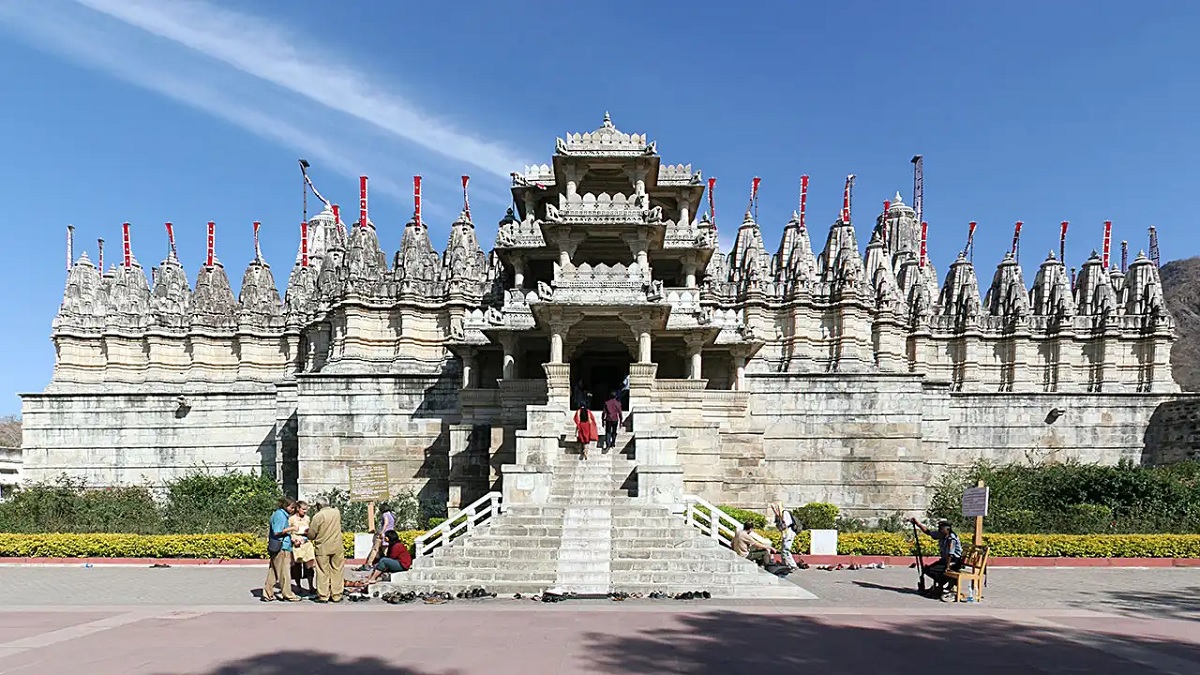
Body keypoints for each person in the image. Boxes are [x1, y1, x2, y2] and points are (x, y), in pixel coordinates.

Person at [910, 517, 963, 598]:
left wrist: (948, 567)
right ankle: (940, 585)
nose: (939, 529)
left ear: (947, 529)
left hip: (954, 562)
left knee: (936, 570)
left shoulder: (951, 538)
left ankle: (943, 585)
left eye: (941, 528)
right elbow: (928, 532)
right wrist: (918, 524)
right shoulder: (941, 535)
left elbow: (950, 554)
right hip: (945, 560)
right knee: (927, 569)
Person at [262, 497, 300, 602]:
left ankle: (268, 593)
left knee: (273, 571)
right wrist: (291, 528)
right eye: (292, 507)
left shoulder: (280, 515)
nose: (293, 510)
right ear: (285, 506)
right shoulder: (280, 516)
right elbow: (277, 532)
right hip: (281, 547)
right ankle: (288, 594)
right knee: (284, 572)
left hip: (280, 546)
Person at [307, 500, 346, 603]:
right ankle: (336, 595)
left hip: (323, 547)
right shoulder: (336, 512)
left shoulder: (318, 516)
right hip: (337, 546)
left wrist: (308, 534)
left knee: (322, 571)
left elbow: (312, 534)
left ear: (319, 505)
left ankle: (323, 595)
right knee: (337, 570)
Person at [358, 502, 396, 571]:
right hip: (390, 534)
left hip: (384, 534)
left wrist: (382, 532)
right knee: (386, 550)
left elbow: (386, 523)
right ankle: (388, 564)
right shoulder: (392, 515)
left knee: (375, 549)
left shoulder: (385, 514)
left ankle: (369, 564)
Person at [289, 500, 316, 595]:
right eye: (303, 509)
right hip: (297, 544)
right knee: (297, 566)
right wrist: (294, 540)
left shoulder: (308, 518)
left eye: (306, 509)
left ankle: (311, 586)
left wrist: (307, 534)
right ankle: (298, 586)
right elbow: (289, 532)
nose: (305, 511)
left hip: (306, 543)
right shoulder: (292, 519)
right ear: (298, 509)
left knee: (309, 566)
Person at [771, 503, 800, 571]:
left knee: (786, 550)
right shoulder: (778, 515)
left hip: (789, 533)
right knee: (783, 550)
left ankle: (793, 565)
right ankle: (785, 564)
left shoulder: (785, 513)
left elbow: (787, 523)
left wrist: (781, 522)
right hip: (785, 534)